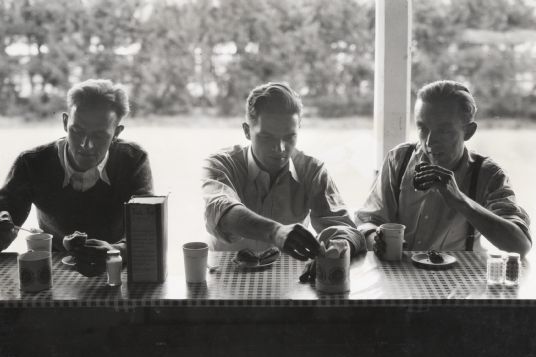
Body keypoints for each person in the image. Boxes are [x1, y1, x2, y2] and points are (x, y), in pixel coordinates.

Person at [0, 79, 153, 270]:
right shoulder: (32, 163)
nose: (85, 145)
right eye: (77, 131)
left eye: (99, 136)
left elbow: (148, 235)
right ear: (65, 122)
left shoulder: (133, 161)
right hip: (55, 274)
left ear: (116, 132)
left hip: (114, 271)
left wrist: (116, 252)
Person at [356, 80, 531, 257]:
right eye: (423, 128)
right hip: (398, 275)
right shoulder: (399, 160)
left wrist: (460, 200)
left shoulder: (488, 175)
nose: (430, 141)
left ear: (469, 132)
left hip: (459, 280)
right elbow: (366, 222)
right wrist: (376, 240)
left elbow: (520, 245)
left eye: (444, 130)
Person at [202, 82, 365, 261]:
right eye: (267, 137)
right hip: (224, 278)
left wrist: (332, 253)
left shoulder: (312, 171)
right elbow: (221, 212)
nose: (280, 148)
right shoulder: (220, 164)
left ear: (299, 127)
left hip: (289, 281)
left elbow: (346, 230)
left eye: (289, 137)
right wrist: (277, 232)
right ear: (247, 131)